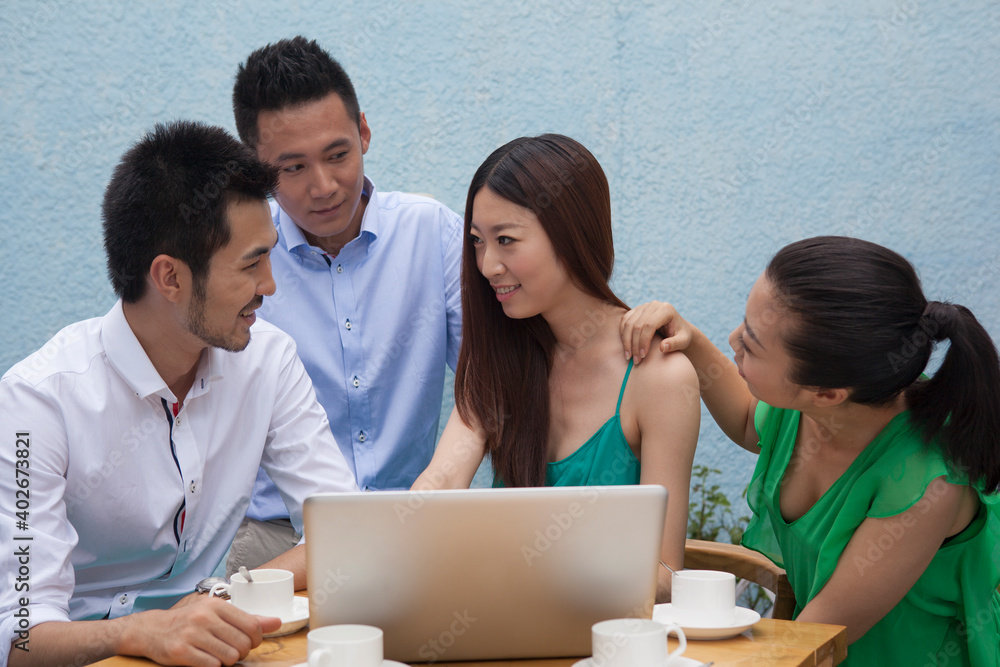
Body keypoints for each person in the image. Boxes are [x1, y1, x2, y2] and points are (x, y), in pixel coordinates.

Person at [0, 120, 359, 667]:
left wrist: (220, 595)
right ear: (169, 278)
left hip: (208, 647)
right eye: (250, 264)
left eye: (270, 256)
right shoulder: (35, 404)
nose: (270, 285)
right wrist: (138, 633)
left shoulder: (267, 358)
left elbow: (343, 531)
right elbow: (20, 637)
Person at [620, 236, 1000, 665]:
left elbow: (819, 631)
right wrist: (687, 337)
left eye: (751, 344)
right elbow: (749, 421)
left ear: (827, 393)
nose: (733, 340)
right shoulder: (809, 408)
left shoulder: (927, 482)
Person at [411, 134, 700, 601]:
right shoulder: (499, 357)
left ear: (571, 233)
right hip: (508, 628)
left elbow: (664, 574)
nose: (487, 266)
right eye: (478, 243)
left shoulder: (660, 377)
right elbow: (442, 479)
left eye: (506, 240)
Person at [228, 36, 463, 572]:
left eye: (339, 154)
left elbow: (492, 375)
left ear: (364, 132)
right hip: (278, 542)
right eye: (292, 168)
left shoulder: (432, 233)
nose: (325, 186)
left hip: (417, 530)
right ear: (256, 169)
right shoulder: (240, 264)